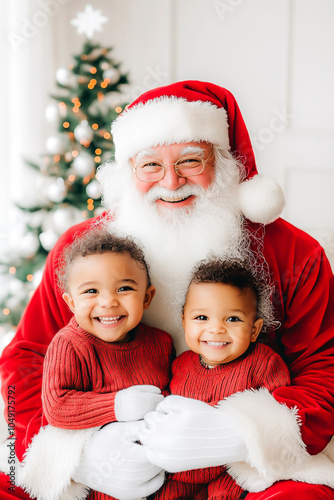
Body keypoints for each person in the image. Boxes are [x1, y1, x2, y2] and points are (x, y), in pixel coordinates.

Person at [0, 80, 334, 500]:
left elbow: (325, 367)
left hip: (242, 472)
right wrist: (78, 453)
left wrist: (238, 433)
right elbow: (25, 360)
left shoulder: (294, 254)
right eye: (151, 166)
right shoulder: (79, 254)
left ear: (227, 164)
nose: (171, 182)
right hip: (114, 467)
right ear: (129, 173)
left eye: (191, 160)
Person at [41, 228, 174, 500]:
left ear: (147, 298)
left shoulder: (161, 342)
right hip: (102, 479)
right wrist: (118, 405)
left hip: (158, 471)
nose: (108, 301)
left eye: (124, 288)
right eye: (91, 291)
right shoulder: (70, 344)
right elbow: (57, 406)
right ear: (71, 302)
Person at [152, 257, 291, 500]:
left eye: (233, 319)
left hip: (233, 468)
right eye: (202, 318)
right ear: (184, 321)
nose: (216, 329)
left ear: (254, 329)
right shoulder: (181, 364)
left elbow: (279, 419)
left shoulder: (263, 363)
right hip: (184, 470)